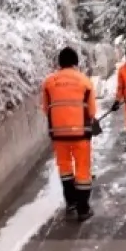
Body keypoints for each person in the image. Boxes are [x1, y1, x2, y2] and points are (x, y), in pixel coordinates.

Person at [41, 47, 98, 221]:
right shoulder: (85, 81)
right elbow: (92, 111)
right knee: (82, 170)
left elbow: (45, 109)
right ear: (76, 62)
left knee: (65, 169)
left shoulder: (48, 82)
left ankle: (71, 203)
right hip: (81, 134)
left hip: (58, 135)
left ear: (59, 63)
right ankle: (83, 209)